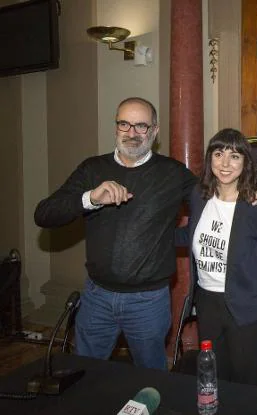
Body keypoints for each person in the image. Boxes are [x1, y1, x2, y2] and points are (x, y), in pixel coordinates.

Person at [34, 97, 197, 370]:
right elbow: (44, 214)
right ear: (116, 127)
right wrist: (90, 198)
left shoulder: (172, 173)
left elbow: (214, 206)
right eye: (125, 124)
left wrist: (174, 240)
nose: (132, 133)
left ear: (154, 131)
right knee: (84, 375)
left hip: (148, 302)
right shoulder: (92, 169)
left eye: (141, 126)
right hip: (96, 297)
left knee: (150, 381)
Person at [175, 128, 257, 385]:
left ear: (245, 162)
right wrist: (153, 235)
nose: (225, 164)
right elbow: (191, 234)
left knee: (246, 380)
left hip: (247, 303)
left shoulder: (256, 204)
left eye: (235, 156)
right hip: (208, 302)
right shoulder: (199, 196)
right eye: (219, 154)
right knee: (215, 376)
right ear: (210, 159)